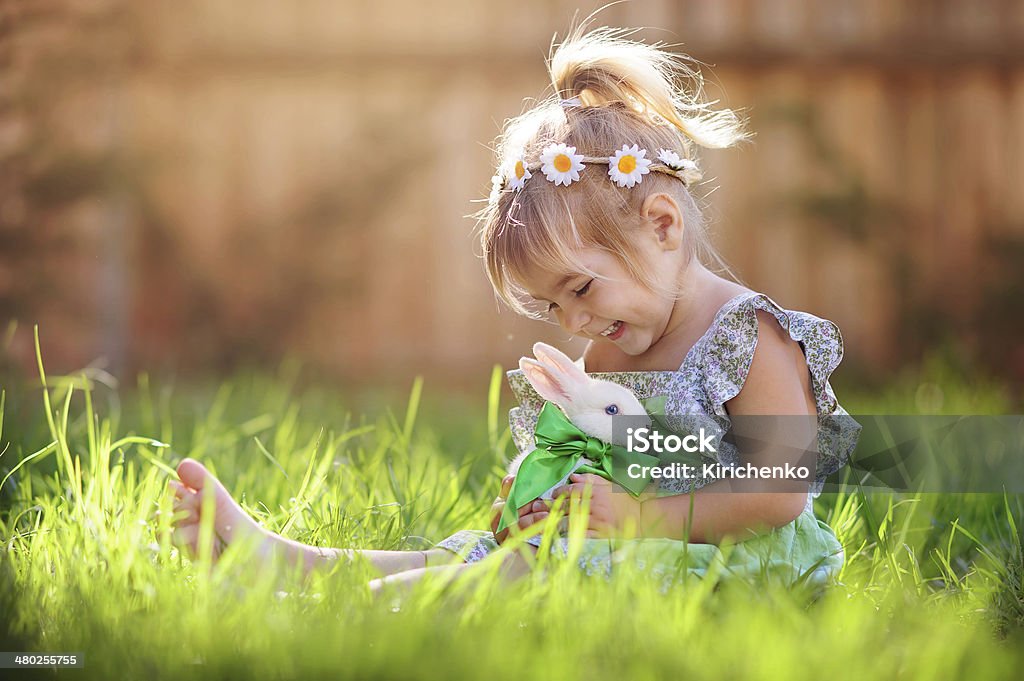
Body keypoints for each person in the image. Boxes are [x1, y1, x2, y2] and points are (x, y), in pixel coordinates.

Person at [168, 26, 857, 594]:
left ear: (663, 225)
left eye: (581, 289)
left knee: (529, 578)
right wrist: (552, 500)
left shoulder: (750, 337)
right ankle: (281, 562)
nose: (573, 322)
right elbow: (603, 459)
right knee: (478, 553)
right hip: (633, 545)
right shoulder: (614, 350)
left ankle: (356, 609)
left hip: (739, 565)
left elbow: (779, 493)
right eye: (551, 304)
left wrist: (642, 517)